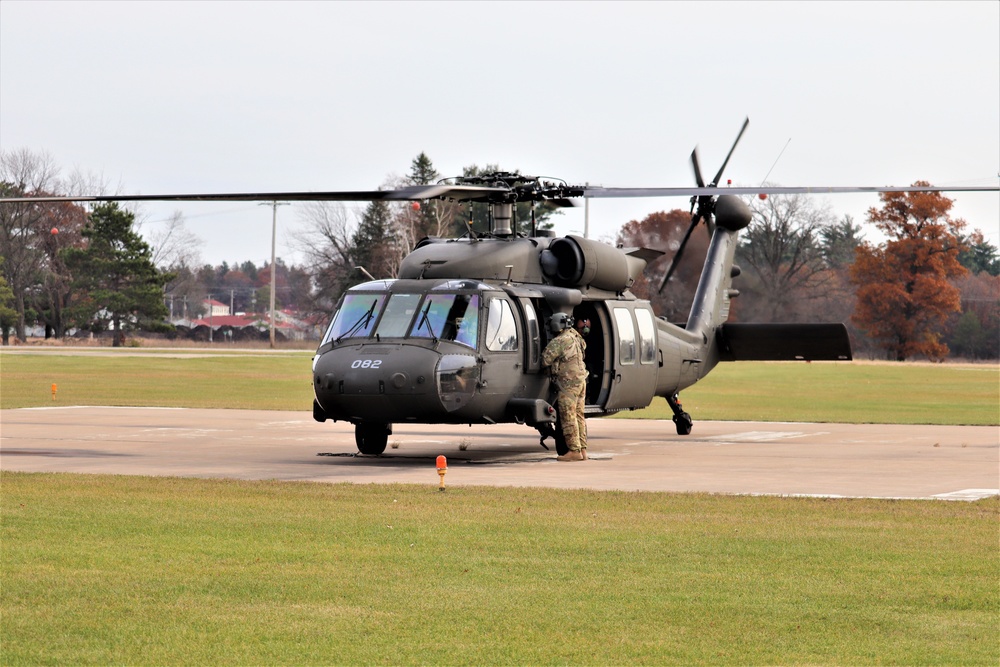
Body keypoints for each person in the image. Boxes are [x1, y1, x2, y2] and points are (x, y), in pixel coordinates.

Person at [541, 312, 588, 461]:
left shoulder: (560, 340)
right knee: (579, 416)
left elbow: (544, 360)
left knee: (568, 416)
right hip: (581, 381)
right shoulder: (576, 337)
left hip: (568, 384)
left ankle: (574, 451)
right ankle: (582, 450)